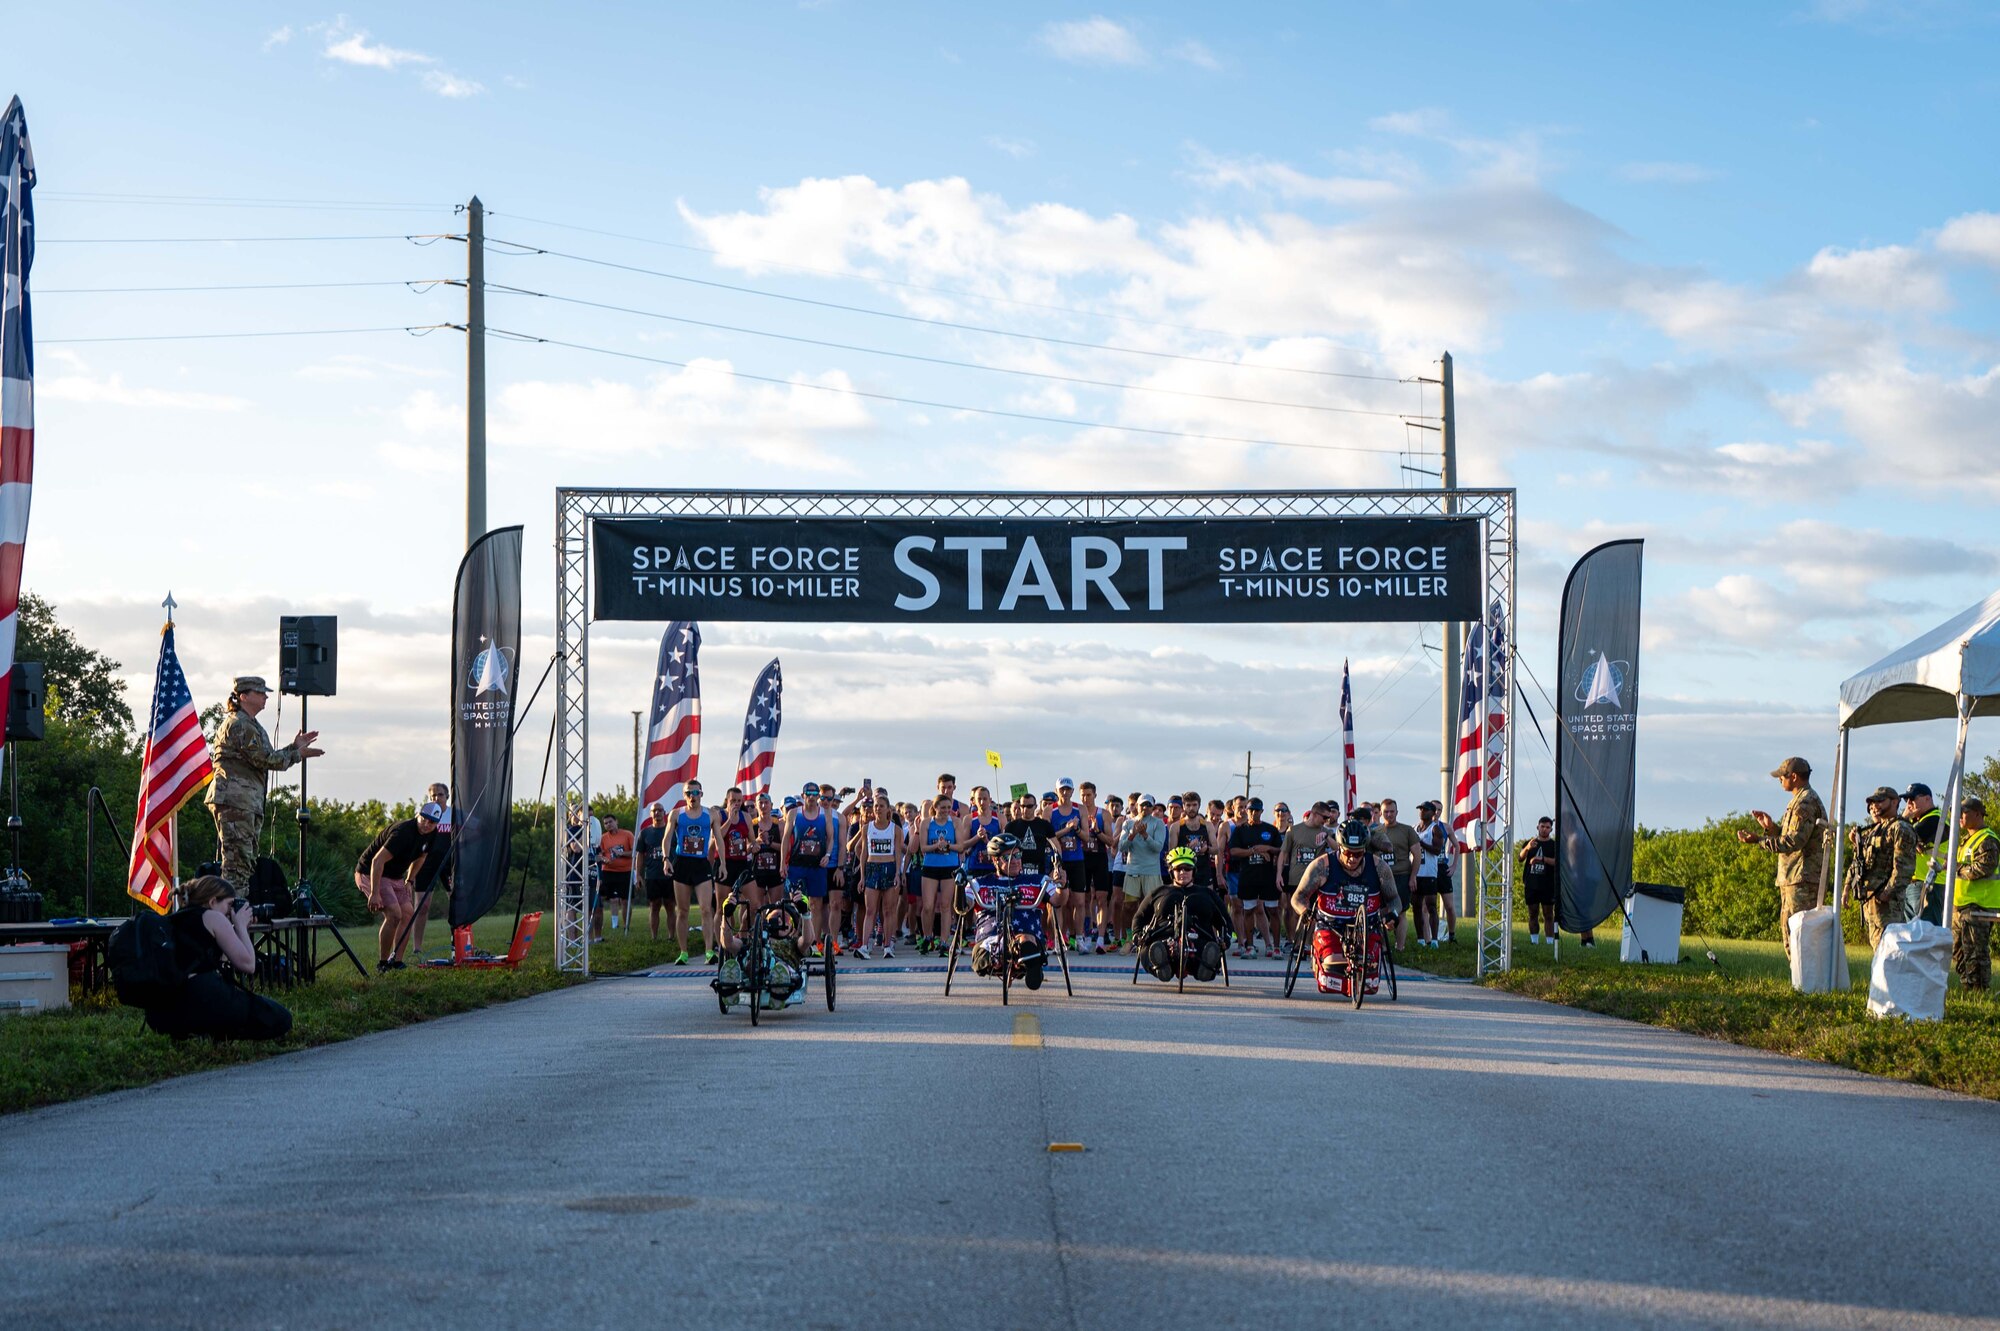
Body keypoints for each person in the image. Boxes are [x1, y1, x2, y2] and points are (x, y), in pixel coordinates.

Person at [204, 675, 322, 890]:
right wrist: (297, 753)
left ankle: (234, 912)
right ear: (244, 696)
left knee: (243, 863)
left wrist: (294, 748)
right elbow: (266, 759)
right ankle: (231, 914)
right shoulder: (240, 725)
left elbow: (265, 757)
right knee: (237, 865)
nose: (266, 697)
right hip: (236, 802)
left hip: (243, 802)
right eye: (260, 693)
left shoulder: (248, 724)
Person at [146, 876, 292, 1042]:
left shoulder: (176, 918)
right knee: (281, 1018)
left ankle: (200, 1034)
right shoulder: (213, 917)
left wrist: (237, 928)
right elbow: (248, 965)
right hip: (199, 996)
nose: (231, 912)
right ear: (213, 901)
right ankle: (219, 1033)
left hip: (161, 1012)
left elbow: (218, 959)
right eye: (229, 905)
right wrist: (241, 928)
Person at [1736, 756, 1828, 959]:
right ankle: (1800, 982)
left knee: (1798, 935)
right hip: (1795, 878)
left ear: (1794, 777)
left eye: (1782, 776)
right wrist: (1771, 829)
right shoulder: (1801, 800)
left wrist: (1759, 840)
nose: (1780, 780)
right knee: (1792, 933)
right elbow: (1793, 838)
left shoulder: (1804, 803)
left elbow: (1793, 842)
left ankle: (1804, 984)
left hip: (1801, 880)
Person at [1291, 819, 1398, 994]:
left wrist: (1392, 915)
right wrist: (1304, 911)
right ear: (1339, 847)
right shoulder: (1321, 866)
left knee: (1370, 981)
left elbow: (1395, 900)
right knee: (1333, 967)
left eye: (1358, 854)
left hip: (1366, 928)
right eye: (1347, 852)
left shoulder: (1380, 867)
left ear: (1364, 850)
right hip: (1331, 926)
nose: (1351, 859)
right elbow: (1298, 897)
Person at [961, 833, 1064, 990]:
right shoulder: (978, 883)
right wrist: (958, 888)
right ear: (995, 860)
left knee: (1026, 940)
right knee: (986, 954)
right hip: (990, 939)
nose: (1015, 860)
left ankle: (1028, 961)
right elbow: (963, 906)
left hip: (1027, 936)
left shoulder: (1038, 880)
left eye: (1017, 855)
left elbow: (1058, 901)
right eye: (1008, 857)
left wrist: (1063, 886)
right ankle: (1013, 960)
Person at [355, 803, 441, 971]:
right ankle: (383, 963)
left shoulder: (432, 834)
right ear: (418, 814)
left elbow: (421, 857)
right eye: (424, 819)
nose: (427, 825)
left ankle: (397, 962)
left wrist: (409, 881)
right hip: (370, 872)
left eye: (432, 822)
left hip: (395, 876)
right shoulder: (402, 832)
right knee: (394, 914)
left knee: (408, 914)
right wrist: (374, 892)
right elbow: (377, 861)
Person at [1131, 846, 1229, 981]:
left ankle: (1205, 966)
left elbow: (1225, 920)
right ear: (1172, 872)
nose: (1183, 872)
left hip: (1200, 939)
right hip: (1163, 939)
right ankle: (1162, 966)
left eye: (1187, 869)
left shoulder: (1207, 894)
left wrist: (1227, 938)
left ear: (1194, 871)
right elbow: (1140, 916)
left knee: (1209, 950)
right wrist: (1137, 935)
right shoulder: (1159, 892)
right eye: (1178, 869)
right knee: (1152, 949)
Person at [1845, 786, 1915, 950]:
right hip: (1872, 900)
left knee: (1889, 950)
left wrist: (1888, 892)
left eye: (1880, 801)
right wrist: (1848, 886)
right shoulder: (1876, 829)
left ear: (1895, 802)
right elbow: (1862, 862)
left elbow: (1903, 867)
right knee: (1878, 947)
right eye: (1873, 802)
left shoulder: (1900, 828)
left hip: (1887, 903)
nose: (1875, 805)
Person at [782, 782, 842, 952]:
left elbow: (831, 838)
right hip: (797, 864)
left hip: (816, 866)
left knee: (816, 904)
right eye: (809, 794)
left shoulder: (826, 814)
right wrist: (782, 863)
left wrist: (828, 855)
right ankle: (792, 940)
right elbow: (786, 838)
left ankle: (815, 943)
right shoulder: (794, 813)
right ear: (803, 796)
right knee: (795, 903)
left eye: (815, 794)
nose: (812, 797)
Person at [670, 781, 723, 964]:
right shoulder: (677, 814)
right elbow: (666, 838)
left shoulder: (711, 814)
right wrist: (665, 859)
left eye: (696, 792)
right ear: (684, 795)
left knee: (706, 909)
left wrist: (722, 863)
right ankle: (683, 953)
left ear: (701, 793)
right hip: (682, 863)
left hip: (701, 864)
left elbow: (719, 840)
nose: (692, 796)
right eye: (689, 793)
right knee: (682, 911)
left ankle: (709, 951)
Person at [850, 792, 905, 960]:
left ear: (888, 809)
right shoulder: (867, 828)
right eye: (876, 806)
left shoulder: (895, 829)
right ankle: (865, 945)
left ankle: (888, 945)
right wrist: (863, 876)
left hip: (889, 868)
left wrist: (897, 874)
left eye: (881, 806)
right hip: (872, 868)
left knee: (888, 910)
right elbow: (862, 851)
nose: (878, 809)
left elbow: (898, 853)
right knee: (870, 910)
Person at [1228, 797, 1285, 958]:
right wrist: (1253, 851)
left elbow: (1280, 850)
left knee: (1273, 910)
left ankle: (1275, 947)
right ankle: (1250, 946)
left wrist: (1267, 848)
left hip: (1267, 876)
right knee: (1248, 910)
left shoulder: (1270, 829)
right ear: (1247, 810)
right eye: (1251, 810)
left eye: (1257, 810)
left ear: (1262, 811)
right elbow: (1233, 851)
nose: (1254, 813)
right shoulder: (1240, 830)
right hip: (1248, 876)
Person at [1952, 796, 1999, 990]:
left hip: (1979, 906)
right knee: (1960, 951)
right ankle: (1967, 987)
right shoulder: (1967, 840)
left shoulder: (1987, 839)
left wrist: (1955, 868)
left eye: (1964, 812)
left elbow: (1982, 868)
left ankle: (1979, 990)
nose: (1960, 816)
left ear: (1978, 814)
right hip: (1962, 905)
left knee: (1976, 953)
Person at [407, 781, 456, 955]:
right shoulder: (424, 815)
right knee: (422, 906)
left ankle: (458, 942)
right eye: (433, 795)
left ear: (447, 796)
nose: (436, 798)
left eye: (440, 794)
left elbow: (476, 827)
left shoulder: (454, 814)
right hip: (425, 864)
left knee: (456, 902)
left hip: (449, 864)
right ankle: (417, 948)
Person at [1370, 798, 1420, 949]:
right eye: (1386, 812)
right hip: (1381, 876)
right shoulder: (1375, 831)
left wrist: (1413, 877)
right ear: (1380, 813)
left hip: (1401, 875)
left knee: (1401, 911)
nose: (1389, 814)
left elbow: (1417, 854)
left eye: (1392, 811)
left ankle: (1400, 947)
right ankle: (1383, 947)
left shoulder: (1407, 830)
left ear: (1397, 812)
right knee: (1380, 912)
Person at [1902, 783, 1946, 924]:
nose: (1909, 804)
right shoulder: (1918, 821)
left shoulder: (1935, 819)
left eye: (1912, 798)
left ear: (1927, 799)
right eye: (1906, 800)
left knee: (1927, 930)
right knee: (1914, 933)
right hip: (1916, 883)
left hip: (1929, 883)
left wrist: (1904, 818)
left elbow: (1903, 836)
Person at [1410, 800, 1450, 949]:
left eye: (1425, 809)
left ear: (1433, 813)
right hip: (1416, 872)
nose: (1422, 811)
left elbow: (1437, 850)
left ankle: (1434, 939)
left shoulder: (1435, 829)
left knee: (1431, 906)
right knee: (1416, 906)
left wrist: (1420, 844)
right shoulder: (1415, 828)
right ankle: (1420, 938)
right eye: (1420, 809)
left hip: (1429, 873)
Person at [1121, 796, 1169, 907]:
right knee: (1129, 906)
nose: (1145, 807)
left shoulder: (1159, 823)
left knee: (1151, 906)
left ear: (1152, 808)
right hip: (1133, 871)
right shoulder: (1128, 823)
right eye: (1142, 805)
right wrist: (1132, 835)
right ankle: (1130, 925)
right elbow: (1121, 847)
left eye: (1148, 805)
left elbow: (1158, 848)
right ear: (1137, 806)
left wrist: (1144, 835)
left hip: (1151, 872)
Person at [637, 801, 675, 941]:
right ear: (651, 814)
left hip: (670, 874)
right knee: (654, 906)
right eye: (655, 811)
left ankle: (671, 937)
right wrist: (638, 874)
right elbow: (640, 855)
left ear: (664, 813)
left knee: (670, 906)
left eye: (660, 810)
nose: (657, 813)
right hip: (652, 875)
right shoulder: (645, 833)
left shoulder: (672, 831)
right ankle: (654, 937)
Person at [1519, 817, 1559, 944]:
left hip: (1548, 884)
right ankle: (1534, 941)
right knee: (1533, 913)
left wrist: (1541, 859)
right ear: (1538, 827)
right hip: (1532, 883)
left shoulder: (1554, 845)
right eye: (1542, 826)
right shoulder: (1530, 843)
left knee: (1548, 914)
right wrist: (1527, 848)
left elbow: (1558, 862)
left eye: (1547, 827)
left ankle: (1550, 942)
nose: (1544, 829)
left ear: (1551, 829)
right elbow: (1520, 858)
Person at [595, 814, 635, 940]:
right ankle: (614, 924)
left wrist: (621, 853)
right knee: (611, 899)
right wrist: (604, 859)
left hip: (626, 871)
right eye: (605, 823)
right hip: (609, 871)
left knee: (625, 900)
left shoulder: (627, 834)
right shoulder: (603, 838)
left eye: (610, 822)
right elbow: (598, 855)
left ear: (616, 821)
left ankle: (626, 925)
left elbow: (635, 852)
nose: (608, 825)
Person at [1005, 792, 1057, 879]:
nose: (1025, 809)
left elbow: (1056, 848)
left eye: (1029, 806)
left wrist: (1055, 869)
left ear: (1035, 806)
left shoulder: (1044, 825)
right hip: (1017, 873)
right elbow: (1004, 850)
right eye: (1022, 806)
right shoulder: (1011, 826)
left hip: (1040, 872)